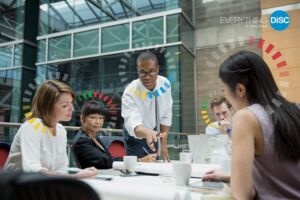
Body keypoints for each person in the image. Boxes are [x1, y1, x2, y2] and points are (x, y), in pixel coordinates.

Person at [202, 51, 300, 199]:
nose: (226, 95)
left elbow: (243, 194)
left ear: (240, 89)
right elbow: (282, 173)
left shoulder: (246, 118)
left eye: (225, 89)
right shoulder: (296, 110)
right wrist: (231, 176)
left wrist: (236, 182)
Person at [4, 80, 98, 178]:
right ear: (47, 107)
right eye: (65, 106)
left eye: (71, 104)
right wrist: (76, 177)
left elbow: (61, 170)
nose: (72, 109)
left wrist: (79, 174)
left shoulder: (60, 130)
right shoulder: (32, 126)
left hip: (40, 186)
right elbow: (33, 170)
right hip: (14, 187)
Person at [73, 101, 157, 169]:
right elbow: (106, 162)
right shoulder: (82, 140)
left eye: (101, 118)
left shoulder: (95, 137)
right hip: (94, 182)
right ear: (82, 118)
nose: (97, 122)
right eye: (93, 117)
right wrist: (139, 160)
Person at [122, 51, 173, 162]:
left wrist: (163, 144)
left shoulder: (165, 84)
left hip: (154, 133)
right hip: (136, 135)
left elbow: (166, 115)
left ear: (157, 69)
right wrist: (149, 133)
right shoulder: (130, 92)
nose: (147, 77)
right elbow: (133, 124)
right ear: (137, 70)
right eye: (142, 73)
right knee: (137, 169)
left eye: (151, 72)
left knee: (155, 166)